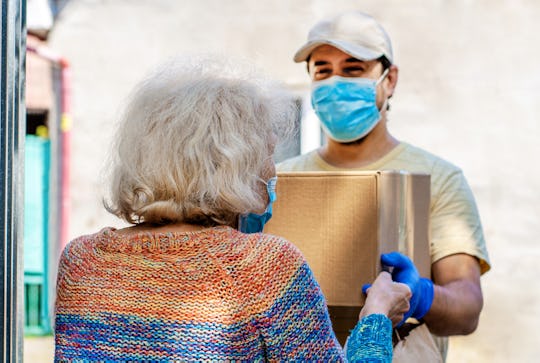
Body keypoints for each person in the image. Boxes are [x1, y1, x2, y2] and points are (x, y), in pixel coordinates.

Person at [54, 55, 416, 361]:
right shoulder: (263, 265)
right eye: (268, 153)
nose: (273, 170)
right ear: (230, 165)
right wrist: (377, 318)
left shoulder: (81, 262)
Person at [278, 11, 491, 360]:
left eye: (353, 69)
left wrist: (421, 295)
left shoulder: (438, 178)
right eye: (323, 71)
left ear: (389, 80)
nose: (335, 82)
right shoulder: (279, 180)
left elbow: (467, 310)